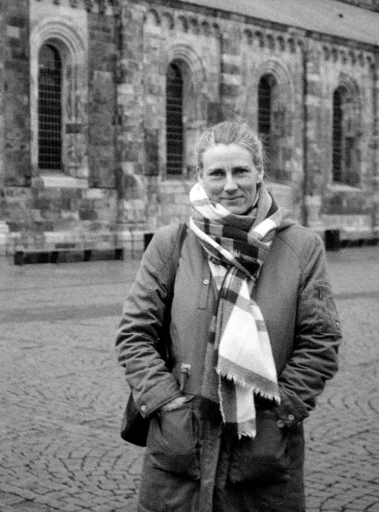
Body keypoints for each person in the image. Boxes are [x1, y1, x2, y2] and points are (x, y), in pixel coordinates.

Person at [115, 121, 342, 511]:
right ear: (200, 177)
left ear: (259, 172)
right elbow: (134, 333)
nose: (230, 185)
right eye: (217, 173)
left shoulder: (301, 247)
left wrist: (283, 408)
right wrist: (164, 400)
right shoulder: (172, 244)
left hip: (263, 449)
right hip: (180, 446)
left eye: (240, 171)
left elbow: (321, 340)